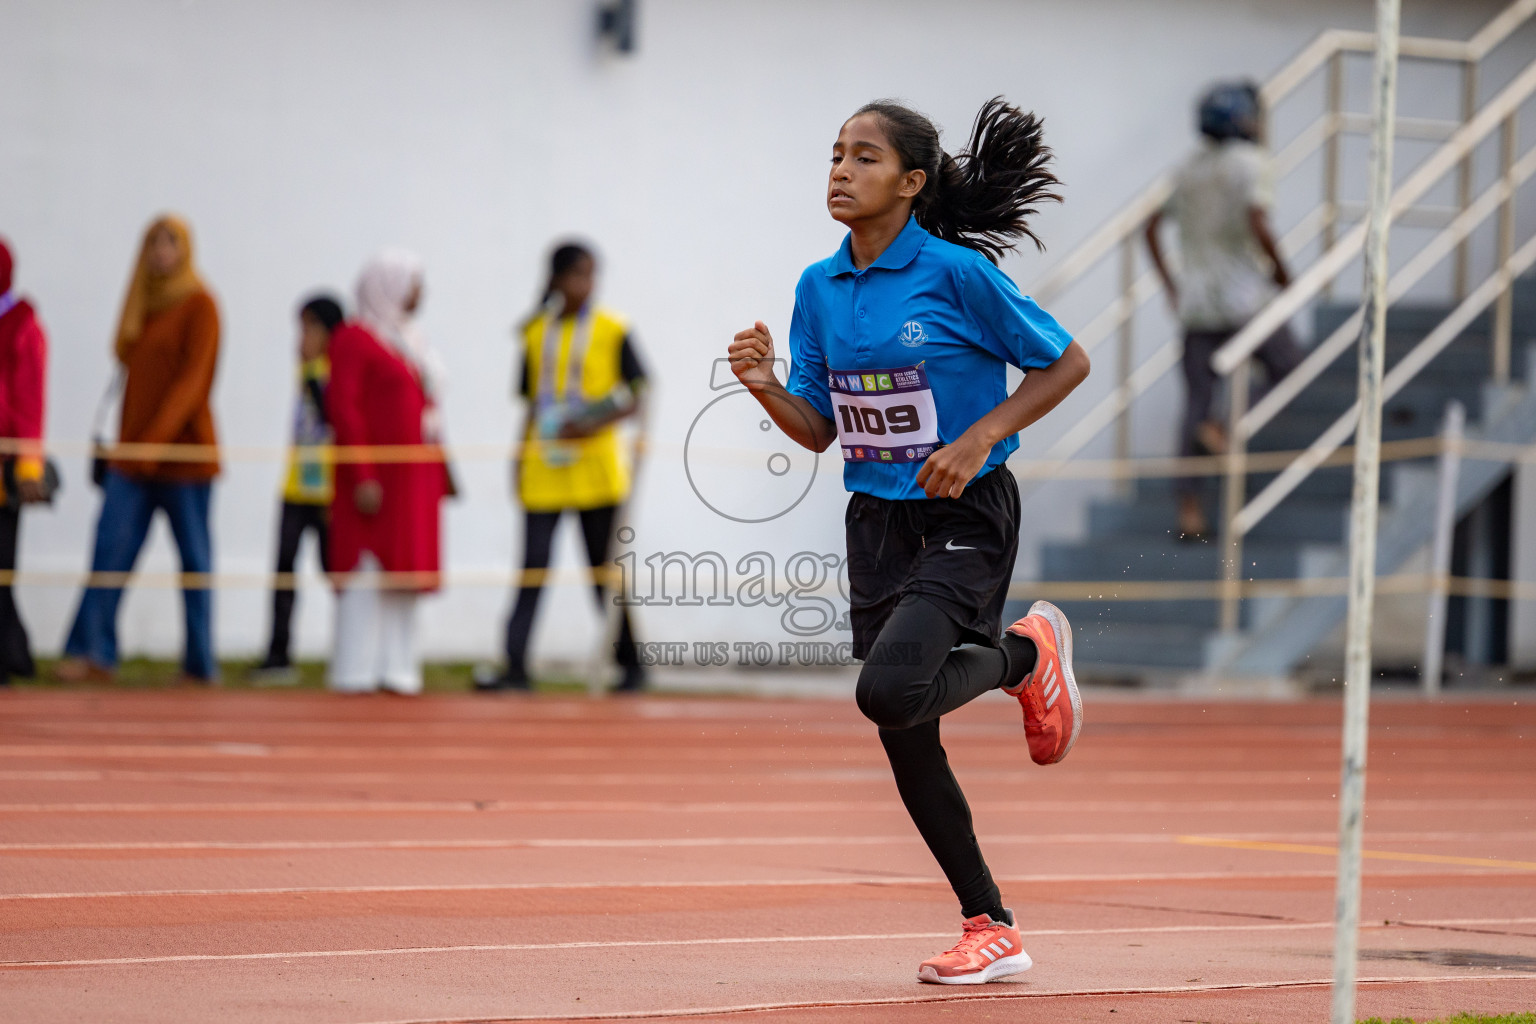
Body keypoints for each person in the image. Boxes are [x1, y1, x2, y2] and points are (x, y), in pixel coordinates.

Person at [727, 97, 1090, 984]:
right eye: (835, 156)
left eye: (864, 158)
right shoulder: (819, 286)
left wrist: (976, 440)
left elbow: (1066, 361)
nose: (841, 171)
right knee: (907, 724)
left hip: (966, 511)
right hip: (877, 519)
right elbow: (818, 431)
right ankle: (990, 925)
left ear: (912, 182)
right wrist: (764, 385)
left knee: (888, 692)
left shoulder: (956, 274)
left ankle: (1023, 654)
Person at [58, 215, 221, 684]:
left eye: (170, 243)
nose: (161, 252)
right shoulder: (144, 304)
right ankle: (93, 651)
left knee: (195, 560)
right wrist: (136, 449)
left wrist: (153, 443)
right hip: (132, 458)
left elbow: (193, 384)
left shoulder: (201, 305)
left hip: (184, 458)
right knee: (109, 549)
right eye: (153, 243)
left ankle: (199, 662)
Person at [479, 242, 648, 693]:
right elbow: (530, 406)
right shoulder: (534, 332)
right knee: (532, 567)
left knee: (603, 572)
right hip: (544, 469)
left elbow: (639, 391)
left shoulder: (613, 328)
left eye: (591, 275)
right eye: (576, 275)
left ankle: (631, 665)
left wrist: (592, 423)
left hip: (596, 470)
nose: (584, 285)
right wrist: (518, 459)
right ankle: (514, 666)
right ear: (555, 279)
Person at [1144, 80, 1304, 539]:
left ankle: (1189, 513)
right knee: (1288, 367)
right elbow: (1258, 221)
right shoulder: (1250, 163)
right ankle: (1226, 427)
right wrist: (1282, 273)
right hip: (1243, 299)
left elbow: (1150, 227)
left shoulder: (1189, 168)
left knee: (1194, 403)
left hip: (1197, 303)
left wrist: (1171, 284)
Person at [325, 250, 448, 695]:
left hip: (415, 477)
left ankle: (398, 667)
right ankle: (355, 667)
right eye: (412, 282)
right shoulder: (354, 338)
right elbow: (345, 408)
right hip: (377, 477)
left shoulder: (411, 340)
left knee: (404, 573)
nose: (420, 293)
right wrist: (362, 474)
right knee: (366, 570)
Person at [252, 294, 345, 682]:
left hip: (327, 490)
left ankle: (348, 650)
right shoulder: (305, 368)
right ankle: (278, 653)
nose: (302, 338)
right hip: (296, 486)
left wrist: (311, 372)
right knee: (284, 571)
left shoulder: (336, 369)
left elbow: (332, 416)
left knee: (335, 572)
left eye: (310, 329)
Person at [0, 238, 49, 687]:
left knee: (1, 566)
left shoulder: (22, 326)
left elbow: (30, 404)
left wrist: (29, 466)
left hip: (8, 463)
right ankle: (16, 656)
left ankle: (11, 659)